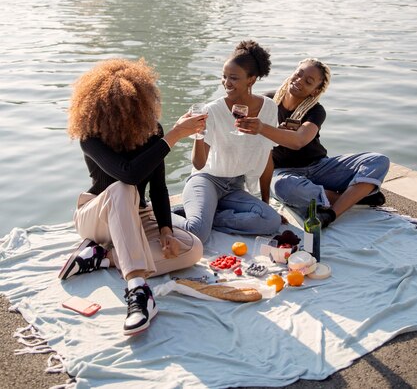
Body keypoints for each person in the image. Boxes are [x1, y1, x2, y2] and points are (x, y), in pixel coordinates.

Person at [59, 58, 205, 337]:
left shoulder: (152, 132)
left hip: (136, 216)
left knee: (193, 249)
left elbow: (159, 188)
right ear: (99, 108)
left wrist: (165, 230)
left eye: (133, 106)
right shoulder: (91, 137)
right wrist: (174, 136)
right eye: (116, 108)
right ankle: (138, 291)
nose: (126, 114)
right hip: (97, 215)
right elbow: (129, 175)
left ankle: (103, 257)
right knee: (124, 188)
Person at [236, 58, 390, 228]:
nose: (299, 81)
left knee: (378, 160)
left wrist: (264, 128)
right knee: (282, 186)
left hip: (319, 167)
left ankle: (331, 214)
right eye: (298, 74)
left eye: (308, 81)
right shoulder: (267, 102)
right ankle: (354, 197)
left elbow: (299, 141)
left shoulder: (316, 110)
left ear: (315, 91)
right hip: (285, 173)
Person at [172, 40, 282, 243]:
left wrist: (266, 203)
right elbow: (198, 165)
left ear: (251, 80)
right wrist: (199, 134)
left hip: (235, 187)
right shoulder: (212, 110)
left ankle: (208, 216)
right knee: (198, 233)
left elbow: (267, 158)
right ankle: (156, 215)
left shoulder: (269, 108)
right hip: (206, 181)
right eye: (224, 77)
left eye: (233, 78)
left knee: (272, 221)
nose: (226, 83)